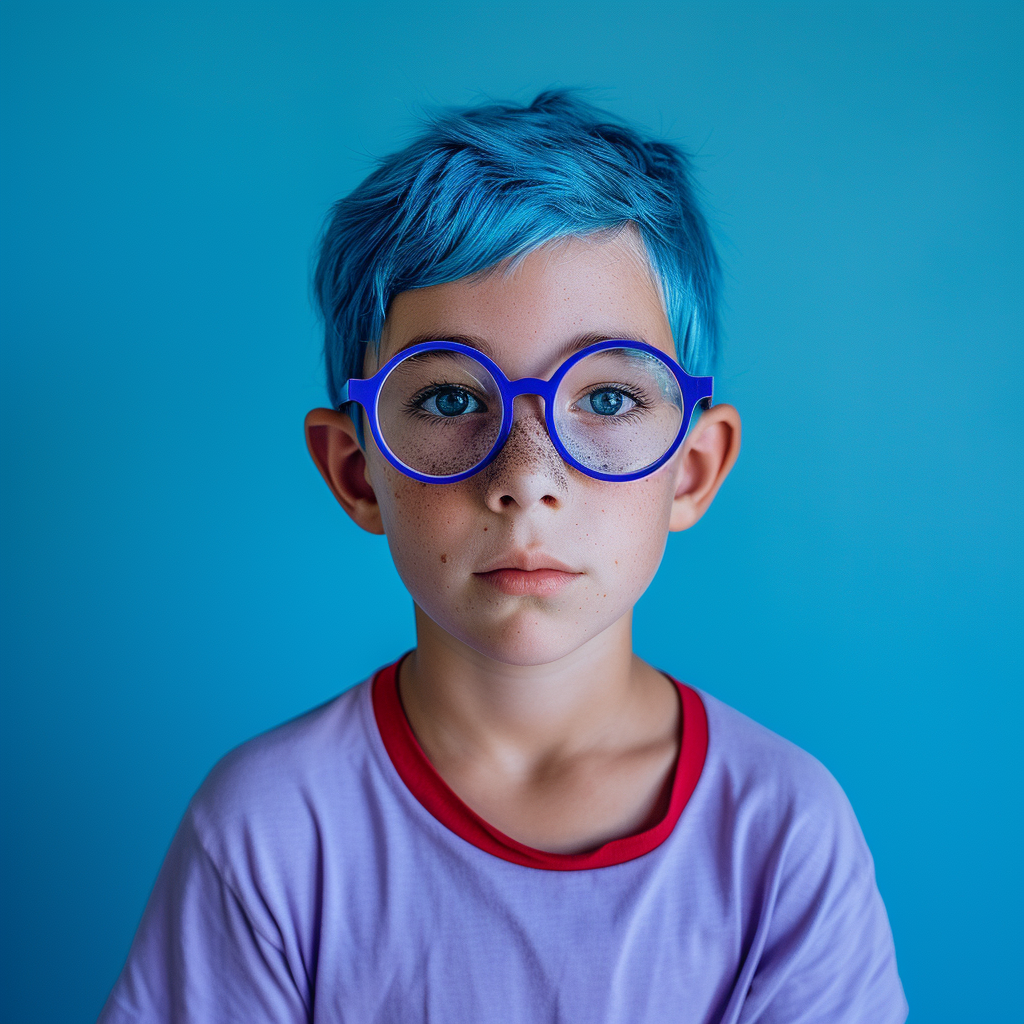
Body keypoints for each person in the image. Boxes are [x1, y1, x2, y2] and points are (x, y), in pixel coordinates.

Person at [98, 90, 907, 1023]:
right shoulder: (271, 833)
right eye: (449, 400)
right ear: (358, 474)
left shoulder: (782, 834)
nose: (528, 480)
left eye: (606, 401)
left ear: (690, 470)